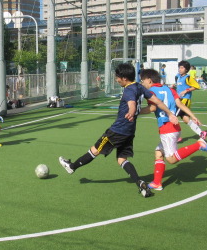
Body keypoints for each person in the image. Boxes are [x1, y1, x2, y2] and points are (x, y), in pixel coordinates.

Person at [58, 63, 178, 199]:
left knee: (95, 150)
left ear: (124, 78)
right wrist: (170, 113)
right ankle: (140, 183)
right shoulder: (139, 86)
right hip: (129, 132)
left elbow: (132, 104)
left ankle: (72, 166)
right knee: (121, 159)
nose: (116, 79)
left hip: (117, 131)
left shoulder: (129, 90)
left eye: (117, 77)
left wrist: (132, 112)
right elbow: (157, 101)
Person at [139, 69, 207, 191]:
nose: (142, 83)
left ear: (149, 80)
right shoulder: (170, 89)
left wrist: (136, 112)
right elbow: (180, 105)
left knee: (171, 159)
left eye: (143, 81)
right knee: (159, 152)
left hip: (167, 128)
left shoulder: (151, 92)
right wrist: (193, 116)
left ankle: (199, 145)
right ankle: (157, 183)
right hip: (175, 127)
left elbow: (152, 108)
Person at [174, 60, 207, 140]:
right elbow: (179, 86)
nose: (180, 69)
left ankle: (176, 136)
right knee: (185, 119)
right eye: (179, 67)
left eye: (182, 68)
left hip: (184, 100)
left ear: (186, 69)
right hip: (179, 99)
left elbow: (197, 86)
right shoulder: (178, 76)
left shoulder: (188, 77)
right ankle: (201, 133)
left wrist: (186, 90)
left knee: (172, 116)